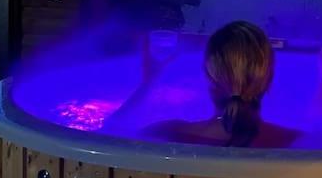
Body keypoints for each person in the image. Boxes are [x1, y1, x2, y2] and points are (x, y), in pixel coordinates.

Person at [105, 21, 298, 148]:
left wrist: (149, 81)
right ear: (269, 79)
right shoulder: (296, 145)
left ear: (209, 79)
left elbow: (106, 138)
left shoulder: (167, 136)